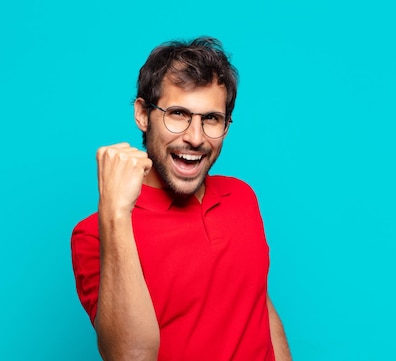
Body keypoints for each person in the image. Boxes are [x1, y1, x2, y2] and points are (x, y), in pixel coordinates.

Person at [71, 36, 292, 361]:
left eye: (211, 118)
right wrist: (116, 215)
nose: (195, 137)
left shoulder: (241, 197)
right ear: (143, 114)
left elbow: (258, 305)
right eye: (178, 114)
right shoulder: (95, 233)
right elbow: (130, 357)